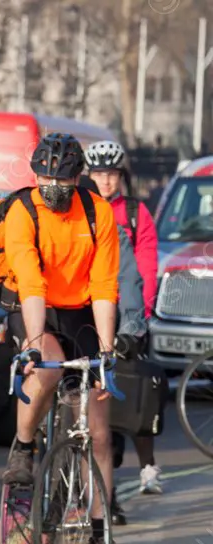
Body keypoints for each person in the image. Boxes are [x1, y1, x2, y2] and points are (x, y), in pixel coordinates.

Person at [1, 132, 135, 544]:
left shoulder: (97, 212)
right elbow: (31, 282)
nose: (52, 186)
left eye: (61, 178)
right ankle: (23, 448)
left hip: (80, 307)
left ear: (77, 178)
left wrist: (108, 351)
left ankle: (100, 536)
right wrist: (36, 346)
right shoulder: (23, 210)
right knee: (48, 371)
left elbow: (103, 287)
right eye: (43, 177)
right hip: (32, 303)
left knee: (98, 432)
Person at [84, 140, 164, 520]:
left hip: (126, 315)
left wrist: (138, 320)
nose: (105, 181)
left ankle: (136, 472)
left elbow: (146, 268)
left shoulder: (135, 213)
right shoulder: (82, 208)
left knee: (121, 404)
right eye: (98, 174)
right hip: (89, 311)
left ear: (122, 177)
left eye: (112, 174)